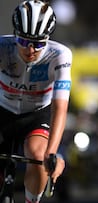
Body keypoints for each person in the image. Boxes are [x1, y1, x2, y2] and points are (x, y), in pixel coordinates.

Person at [0, 0, 70, 202]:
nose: (31, 50)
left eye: (39, 44)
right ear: (14, 35)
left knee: (39, 157)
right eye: (23, 41)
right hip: (2, 110)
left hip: (36, 115)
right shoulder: (3, 48)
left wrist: (52, 153)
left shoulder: (59, 55)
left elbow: (60, 106)